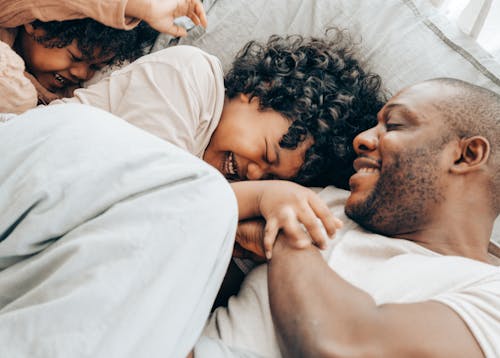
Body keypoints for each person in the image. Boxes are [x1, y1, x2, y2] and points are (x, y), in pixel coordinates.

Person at [195, 78, 500, 357]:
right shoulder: (324, 202)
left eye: (393, 125)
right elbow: (185, 221)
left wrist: (290, 240)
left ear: (466, 155)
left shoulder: (488, 292)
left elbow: (346, 345)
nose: (363, 139)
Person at [52, 31, 385, 255]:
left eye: (271, 178)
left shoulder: (216, 186)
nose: (254, 174)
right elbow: (145, 197)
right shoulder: (192, 75)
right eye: (268, 153)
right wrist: (262, 196)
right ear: (261, 89)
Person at [0, 103, 236, 357]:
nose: (256, 171)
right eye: (268, 154)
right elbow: (152, 193)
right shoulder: (199, 76)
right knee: (210, 198)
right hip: (49, 153)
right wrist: (252, 199)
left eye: (268, 173)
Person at [0, 0, 207, 113]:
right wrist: (142, 7)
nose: (81, 72)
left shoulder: (68, 99)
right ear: (35, 22)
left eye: (95, 67)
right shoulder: (11, 9)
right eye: (75, 57)